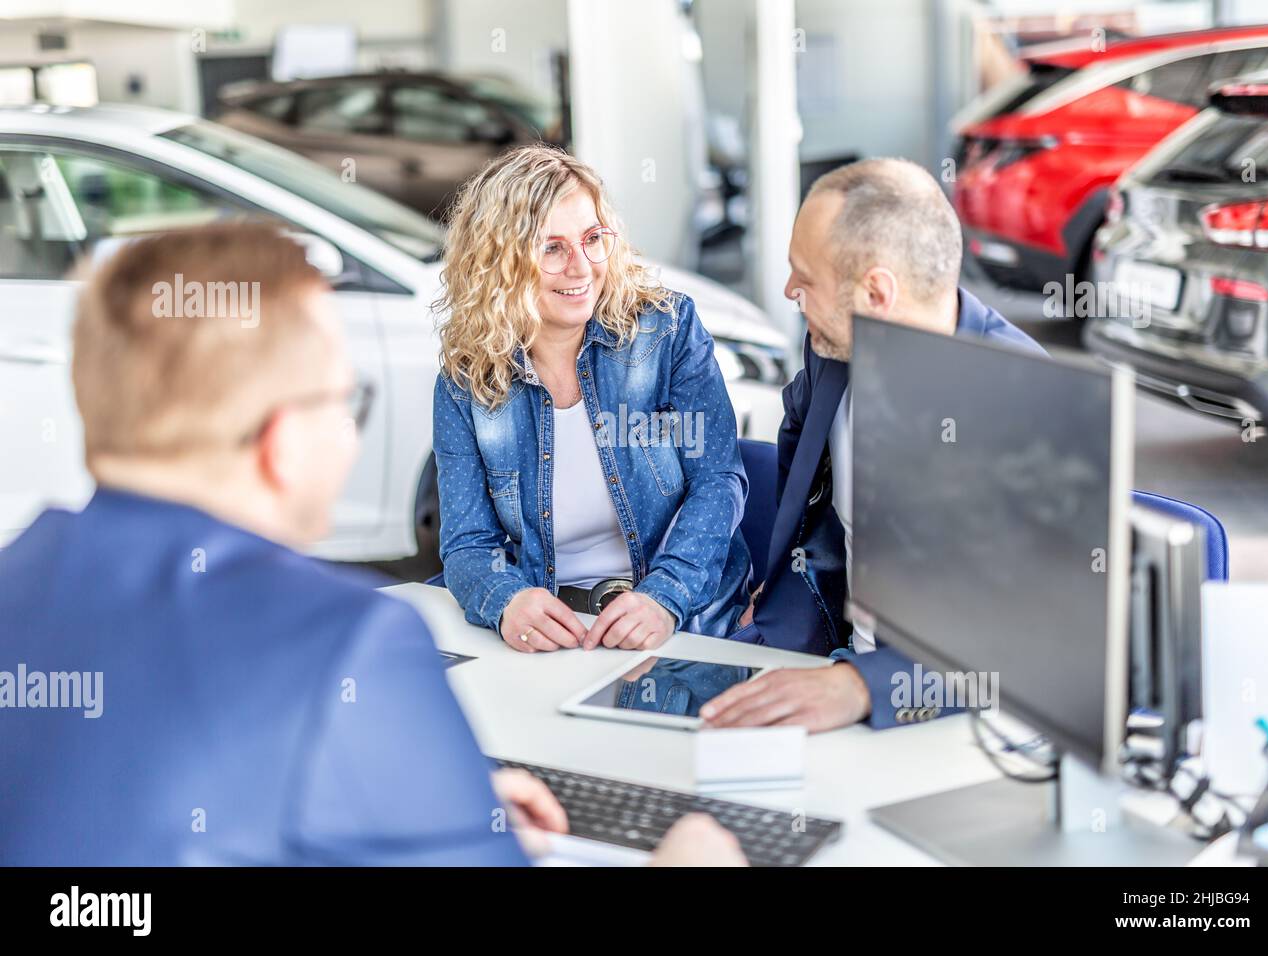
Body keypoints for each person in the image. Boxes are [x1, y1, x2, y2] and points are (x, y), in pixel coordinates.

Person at [0, 223, 742, 866]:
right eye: (342, 398)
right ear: (283, 444)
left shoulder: (17, 578)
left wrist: (424, 813)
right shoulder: (349, 645)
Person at [702, 158, 1046, 734]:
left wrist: (865, 684)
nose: (790, 292)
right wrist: (781, 602)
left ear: (875, 293)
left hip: (959, 718)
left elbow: (1035, 632)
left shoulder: (1024, 402)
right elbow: (806, 476)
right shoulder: (835, 343)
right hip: (821, 658)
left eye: (803, 278)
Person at [434, 144, 750, 653]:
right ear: (499, 262)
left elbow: (719, 482)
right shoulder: (468, 379)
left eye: (592, 239)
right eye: (551, 248)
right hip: (551, 631)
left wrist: (665, 596)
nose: (581, 268)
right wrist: (505, 600)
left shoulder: (666, 332)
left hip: (680, 620)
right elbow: (468, 544)